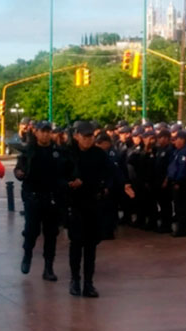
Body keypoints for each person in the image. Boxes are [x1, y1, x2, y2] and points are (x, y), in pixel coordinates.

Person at [14, 121, 68, 281]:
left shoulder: (57, 151)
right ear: (36, 132)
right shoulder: (29, 151)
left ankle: (48, 268)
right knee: (31, 231)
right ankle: (27, 255)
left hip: (52, 197)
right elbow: (19, 169)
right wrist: (19, 173)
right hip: (33, 197)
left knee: (51, 234)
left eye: (47, 131)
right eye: (42, 131)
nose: (45, 134)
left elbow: (66, 170)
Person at [67, 121, 113, 297]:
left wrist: (112, 185)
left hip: (93, 203)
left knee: (91, 246)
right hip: (75, 204)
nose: (88, 140)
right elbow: (60, 175)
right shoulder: (70, 154)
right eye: (84, 136)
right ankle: (75, 281)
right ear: (76, 136)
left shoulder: (98, 154)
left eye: (90, 136)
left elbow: (111, 172)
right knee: (76, 245)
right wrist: (70, 183)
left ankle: (88, 283)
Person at [168, 130, 186, 237]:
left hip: (182, 184)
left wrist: (178, 181)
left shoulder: (185, 152)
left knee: (181, 207)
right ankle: (180, 228)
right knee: (178, 207)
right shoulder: (178, 151)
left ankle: (182, 230)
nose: (175, 142)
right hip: (176, 182)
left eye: (177, 139)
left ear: (183, 140)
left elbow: (183, 169)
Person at [154, 128, 176, 234]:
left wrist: (166, 180)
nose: (158, 140)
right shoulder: (160, 149)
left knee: (166, 204)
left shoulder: (170, 150)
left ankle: (167, 225)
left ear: (166, 138)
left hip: (165, 181)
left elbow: (170, 167)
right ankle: (163, 223)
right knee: (162, 204)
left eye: (160, 138)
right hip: (158, 180)